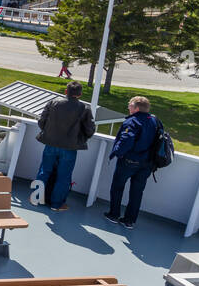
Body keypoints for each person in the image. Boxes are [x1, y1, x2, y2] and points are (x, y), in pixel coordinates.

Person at [34, 81, 95, 211]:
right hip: (70, 148)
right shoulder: (84, 109)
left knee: (44, 171)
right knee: (64, 176)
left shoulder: (53, 103)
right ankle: (56, 204)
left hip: (50, 144)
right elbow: (90, 130)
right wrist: (79, 139)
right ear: (79, 94)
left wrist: (49, 133)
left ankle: (37, 198)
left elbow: (41, 122)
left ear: (66, 92)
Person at [105, 95, 162, 229]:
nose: (128, 107)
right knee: (137, 192)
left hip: (129, 161)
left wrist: (116, 153)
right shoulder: (155, 120)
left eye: (130, 105)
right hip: (147, 164)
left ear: (136, 108)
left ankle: (114, 215)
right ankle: (129, 221)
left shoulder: (132, 121)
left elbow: (126, 140)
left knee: (117, 187)